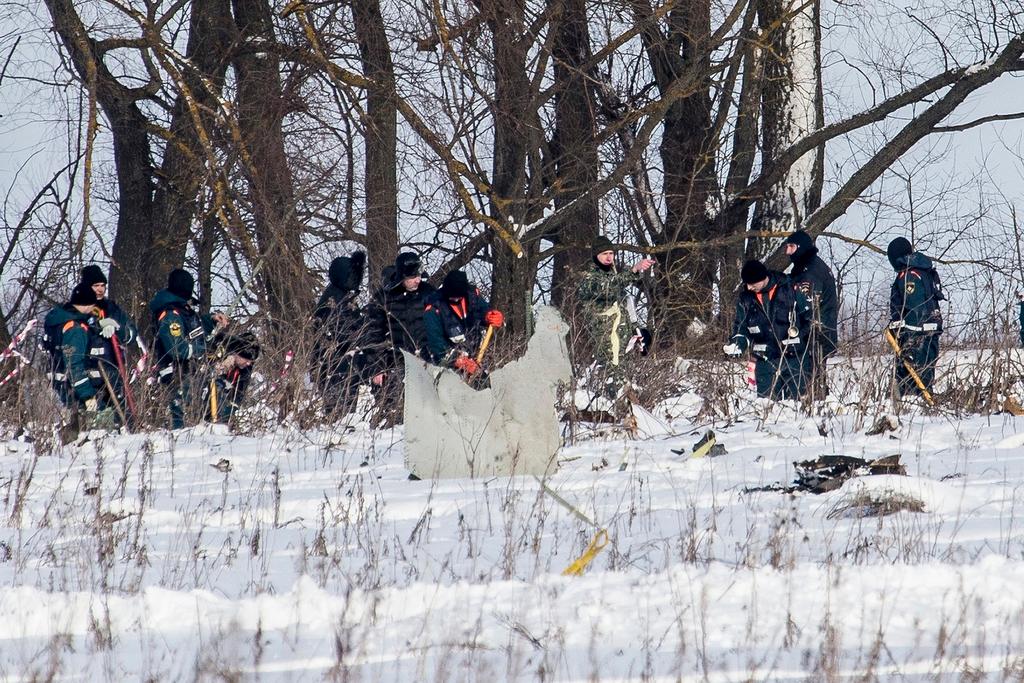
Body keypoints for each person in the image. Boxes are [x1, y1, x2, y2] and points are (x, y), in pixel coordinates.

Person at [576, 235, 655, 405]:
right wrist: (634, 270)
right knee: (611, 373)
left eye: (611, 253)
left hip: (620, 336)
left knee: (622, 373)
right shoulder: (590, 277)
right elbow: (607, 288)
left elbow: (624, 303)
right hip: (605, 335)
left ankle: (621, 409)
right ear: (596, 255)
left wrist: (636, 330)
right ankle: (609, 410)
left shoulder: (612, 275)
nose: (609, 257)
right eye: (604, 253)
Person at [362, 251, 437, 424]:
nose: (417, 280)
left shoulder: (429, 294)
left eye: (418, 275)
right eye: (412, 277)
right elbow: (374, 334)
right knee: (396, 412)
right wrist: (377, 367)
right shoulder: (383, 298)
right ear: (402, 277)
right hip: (395, 362)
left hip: (427, 360)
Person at [149, 268, 229, 428]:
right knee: (181, 425)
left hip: (191, 374)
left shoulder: (183, 310)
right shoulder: (170, 314)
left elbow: (194, 331)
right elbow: (177, 348)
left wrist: (211, 320)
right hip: (176, 376)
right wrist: (200, 350)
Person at [724, 259, 813, 400]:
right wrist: (737, 344)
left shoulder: (790, 288)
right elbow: (741, 328)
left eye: (753, 284)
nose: (750, 288)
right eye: (747, 284)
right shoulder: (745, 299)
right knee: (766, 406)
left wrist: (800, 338)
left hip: (796, 359)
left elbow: (810, 319)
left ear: (763, 277)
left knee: (797, 405)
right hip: (765, 361)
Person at [41, 283, 122, 428]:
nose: (93, 309)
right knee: (101, 426)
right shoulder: (75, 330)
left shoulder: (62, 318)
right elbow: (74, 364)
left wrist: (99, 326)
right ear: (86, 304)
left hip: (64, 383)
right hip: (75, 388)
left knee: (81, 424)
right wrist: (88, 396)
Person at [312, 250, 368, 414]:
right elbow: (341, 330)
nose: (354, 280)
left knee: (345, 405)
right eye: (351, 276)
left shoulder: (342, 295)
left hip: (343, 359)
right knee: (338, 409)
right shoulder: (334, 298)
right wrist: (363, 329)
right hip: (335, 360)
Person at [887, 237, 943, 397]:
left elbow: (916, 308)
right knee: (924, 375)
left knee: (914, 381)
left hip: (917, 337)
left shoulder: (909, 275)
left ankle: (916, 410)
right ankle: (920, 405)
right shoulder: (921, 271)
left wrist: (909, 340)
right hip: (928, 333)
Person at [783, 230, 838, 394]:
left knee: (810, 379)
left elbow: (806, 306)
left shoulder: (809, 272)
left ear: (800, 247)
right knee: (813, 377)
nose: (787, 252)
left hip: (815, 334)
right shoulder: (808, 266)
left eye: (791, 247)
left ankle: (814, 407)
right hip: (818, 332)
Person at [424, 270, 503, 375]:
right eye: (453, 297)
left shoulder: (473, 295)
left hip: (475, 355)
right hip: (447, 366)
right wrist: (458, 360)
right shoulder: (434, 308)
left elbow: (482, 310)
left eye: (459, 297)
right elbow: (436, 343)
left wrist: (489, 316)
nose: (456, 299)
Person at [202, 332, 260, 424]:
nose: (248, 363)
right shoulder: (219, 349)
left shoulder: (246, 366)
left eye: (251, 361)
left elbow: (239, 390)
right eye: (246, 360)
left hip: (222, 397)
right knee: (219, 384)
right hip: (202, 392)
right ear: (237, 353)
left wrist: (231, 410)